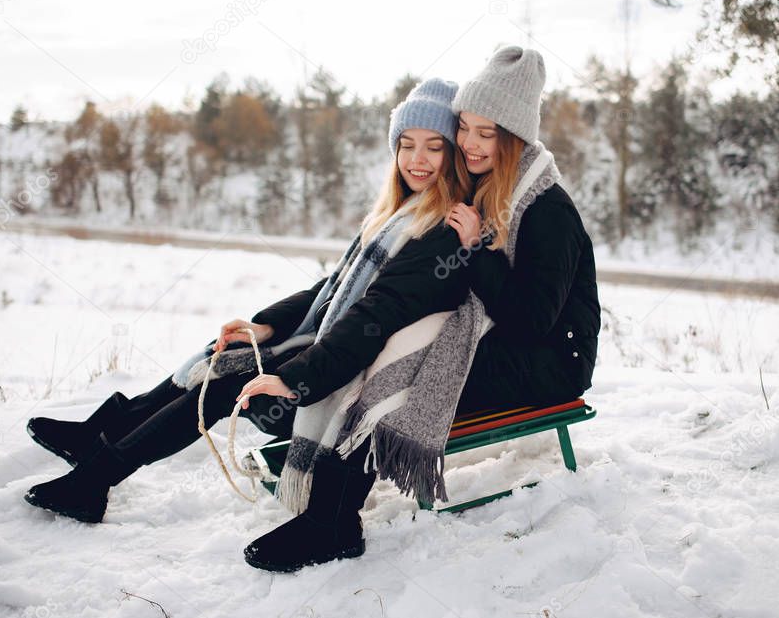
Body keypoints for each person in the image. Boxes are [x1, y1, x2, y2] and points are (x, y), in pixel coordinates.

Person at [24, 78, 472, 572]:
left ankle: (96, 477)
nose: (418, 159)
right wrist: (266, 327)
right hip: (334, 350)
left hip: (347, 379)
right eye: (407, 145)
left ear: (455, 155)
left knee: (229, 383)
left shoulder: (443, 230)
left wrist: (293, 377)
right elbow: (331, 287)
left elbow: (376, 314)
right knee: (225, 355)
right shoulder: (398, 214)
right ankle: (100, 441)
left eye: (435, 147)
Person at [445, 45, 601, 415]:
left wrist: (475, 249)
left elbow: (532, 321)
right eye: (464, 127)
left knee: (420, 378)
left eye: (485, 133)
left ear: (512, 138)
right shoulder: (482, 187)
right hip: (508, 344)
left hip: (555, 361)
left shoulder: (548, 210)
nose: (469, 143)